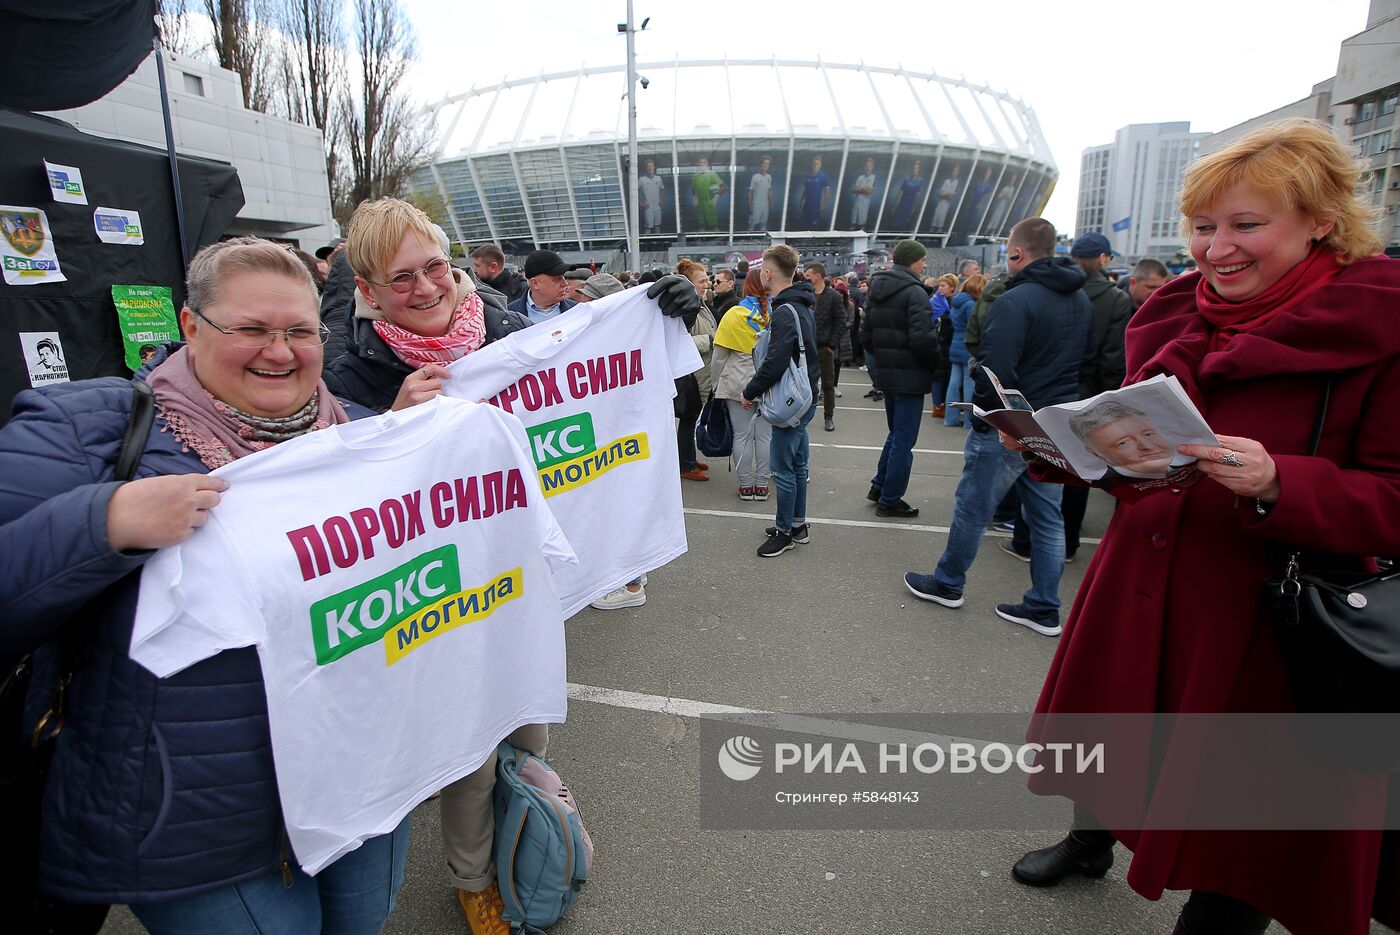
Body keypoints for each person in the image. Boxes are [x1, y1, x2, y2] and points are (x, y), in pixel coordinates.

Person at [1011, 119, 1400, 935]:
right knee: (1114, 730)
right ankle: (1090, 841)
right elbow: (1140, 451)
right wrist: (1066, 453)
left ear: (1322, 220)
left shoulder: (1379, 327)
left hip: (1264, 613)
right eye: (1203, 226)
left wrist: (1280, 480)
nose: (1216, 249)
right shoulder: (1172, 312)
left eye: (1246, 225)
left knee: (1243, 827)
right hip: (1140, 577)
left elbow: (1391, 497)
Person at [0, 237, 411, 933]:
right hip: (189, 811)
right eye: (250, 329)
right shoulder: (91, 429)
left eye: (300, 332)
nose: (279, 352)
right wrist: (104, 522)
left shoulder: (369, 438)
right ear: (190, 326)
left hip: (360, 780)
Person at [321, 198, 697, 935]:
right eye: (402, 279)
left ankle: (526, 816)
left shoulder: (503, 332)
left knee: (526, 724)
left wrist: (665, 314)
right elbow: (341, 502)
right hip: (435, 594)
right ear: (367, 290)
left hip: (520, 578)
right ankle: (474, 878)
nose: (428, 287)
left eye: (435, 266)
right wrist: (392, 427)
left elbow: (598, 380)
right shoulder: (353, 370)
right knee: (468, 740)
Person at [903, 217, 1092, 635]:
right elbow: (1085, 361)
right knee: (1047, 517)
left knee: (973, 507)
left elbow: (995, 372)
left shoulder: (1015, 299)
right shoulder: (1080, 300)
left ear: (1017, 253)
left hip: (1012, 424)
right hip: (1054, 422)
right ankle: (1044, 605)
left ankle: (949, 582)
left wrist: (984, 419)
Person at [1007, 231, 1134, 563]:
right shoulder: (1113, 299)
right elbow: (1110, 357)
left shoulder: (1041, 291)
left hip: (1040, 394)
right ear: (1103, 260)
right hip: (1086, 394)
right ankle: (1066, 544)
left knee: (1037, 468)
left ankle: (1024, 540)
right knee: (1077, 474)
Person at [741, 245, 818, 557]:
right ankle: (796, 525)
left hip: (790, 401)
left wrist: (749, 391)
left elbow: (774, 362)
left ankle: (785, 531)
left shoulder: (785, 310)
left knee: (783, 469)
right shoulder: (803, 305)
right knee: (798, 465)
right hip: (806, 397)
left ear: (768, 273)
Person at [860, 240, 942, 519]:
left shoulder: (877, 289)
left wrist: (883, 358)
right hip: (909, 375)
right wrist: (935, 365)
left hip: (889, 373)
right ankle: (890, 498)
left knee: (896, 435)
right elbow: (923, 338)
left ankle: (880, 486)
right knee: (903, 440)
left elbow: (865, 334)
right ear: (911, 261)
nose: (925, 264)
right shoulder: (914, 292)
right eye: (922, 259)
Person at [711, 267, 773, 502]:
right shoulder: (776, 312)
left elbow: (719, 356)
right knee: (766, 437)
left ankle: (746, 486)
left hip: (737, 380)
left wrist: (716, 385)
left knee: (742, 436)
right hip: (768, 381)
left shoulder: (734, 315)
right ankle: (763, 485)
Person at [677, 259, 717, 481]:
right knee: (688, 418)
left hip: (700, 371)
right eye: (702, 281)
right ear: (689, 284)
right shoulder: (688, 307)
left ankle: (688, 457)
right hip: (691, 375)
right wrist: (711, 340)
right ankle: (686, 463)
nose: (707, 284)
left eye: (707, 280)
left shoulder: (700, 304)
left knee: (691, 419)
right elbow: (681, 342)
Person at [807, 262, 845, 432]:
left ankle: (829, 417)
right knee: (806, 383)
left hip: (824, 348)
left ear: (818, 276)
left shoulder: (834, 296)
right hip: (807, 347)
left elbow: (840, 322)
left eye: (808, 275)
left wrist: (832, 345)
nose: (805, 277)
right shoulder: (805, 295)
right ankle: (804, 416)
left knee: (827, 385)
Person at [944, 273, 981, 427]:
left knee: (953, 383)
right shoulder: (971, 304)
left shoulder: (956, 302)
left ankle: (950, 418)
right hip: (967, 345)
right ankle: (968, 420)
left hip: (955, 343)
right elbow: (973, 326)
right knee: (969, 384)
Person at [508, 250, 576, 323]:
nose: (565, 283)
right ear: (535, 283)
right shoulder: (508, 315)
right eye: (557, 279)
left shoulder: (577, 310)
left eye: (563, 277)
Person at [928, 273, 958, 419]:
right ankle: (937, 405)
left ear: (952, 288)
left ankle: (945, 405)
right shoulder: (935, 301)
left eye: (943, 286)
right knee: (938, 375)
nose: (940, 289)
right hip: (939, 342)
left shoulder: (954, 302)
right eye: (939, 285)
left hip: (950, 342)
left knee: (948, 376)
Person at [691, 157, 726, 231]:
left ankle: (716, 239)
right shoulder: (695, 176)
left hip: (709, 204)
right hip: (699, 204)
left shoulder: (712, 174)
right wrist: (694, 198)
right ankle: (701, 239)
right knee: (701, 225)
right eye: (700, 162)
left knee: (714, 225)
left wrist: (716, 197)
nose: (702, 164)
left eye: (704, 162)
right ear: (698, 164)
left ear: (707, 164)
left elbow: (723, 187)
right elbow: (693, 188)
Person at [799, 156, 830, 230]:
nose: (815, 165)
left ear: (820, 165)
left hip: (816, 205)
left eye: (817, 164)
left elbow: (827, 191)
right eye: (814, 163)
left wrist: (824, 204)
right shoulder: (808, 176)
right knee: (804, 223)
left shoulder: (823, 176)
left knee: (814, 225)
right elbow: (805, 189)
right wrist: (802, 200)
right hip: (807, 204)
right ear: (811, 164)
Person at [638, 159, 666, 234]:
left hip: (657, 207)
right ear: (646, 168)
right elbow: (634, 191)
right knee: (648, 227)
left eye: (651, 166)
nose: (650, 168)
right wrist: (640, 203)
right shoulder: (642, 179)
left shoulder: (658, 179)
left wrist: (661, 200)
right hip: (648, 208)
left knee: (658, 226)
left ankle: (659, 242)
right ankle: (644, 243)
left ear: (654, 167)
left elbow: (662, 189)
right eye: (648, 166)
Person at [931, 164, 962, 229]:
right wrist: (946, 194)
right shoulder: (946, 181)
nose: (954, 173)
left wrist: (945, 194)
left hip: (947, 204)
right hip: (940, 202)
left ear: (958, 173)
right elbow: (939, 193)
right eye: (953, 171)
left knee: (941, 220)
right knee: (935, 216)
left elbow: (951, 197)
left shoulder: (957, 183)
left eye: (956, 171)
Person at [850, 157, 877, 229]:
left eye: (869, 166)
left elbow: (868, 191)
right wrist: (863, 189)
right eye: (866, 166)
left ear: (872, 167)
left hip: (864, 205)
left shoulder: (873, 177)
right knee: (852, 225)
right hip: (856, 203)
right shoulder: (860, 177)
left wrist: (859, 189)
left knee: (861, 227)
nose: (868, 168)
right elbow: (853, 189)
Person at [747, 156, 773, 231]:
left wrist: (771, 202)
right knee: (752, 225)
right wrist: (750, 206)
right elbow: (750, 192)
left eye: (767, 164)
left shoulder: (769, 177)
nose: (766, 165)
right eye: (764, 163)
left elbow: (769, 190)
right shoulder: (755, 177)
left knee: (763, 225)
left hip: (765, 207)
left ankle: (762, 241)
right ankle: (749, 240)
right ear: (761, 164)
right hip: (756, 206)